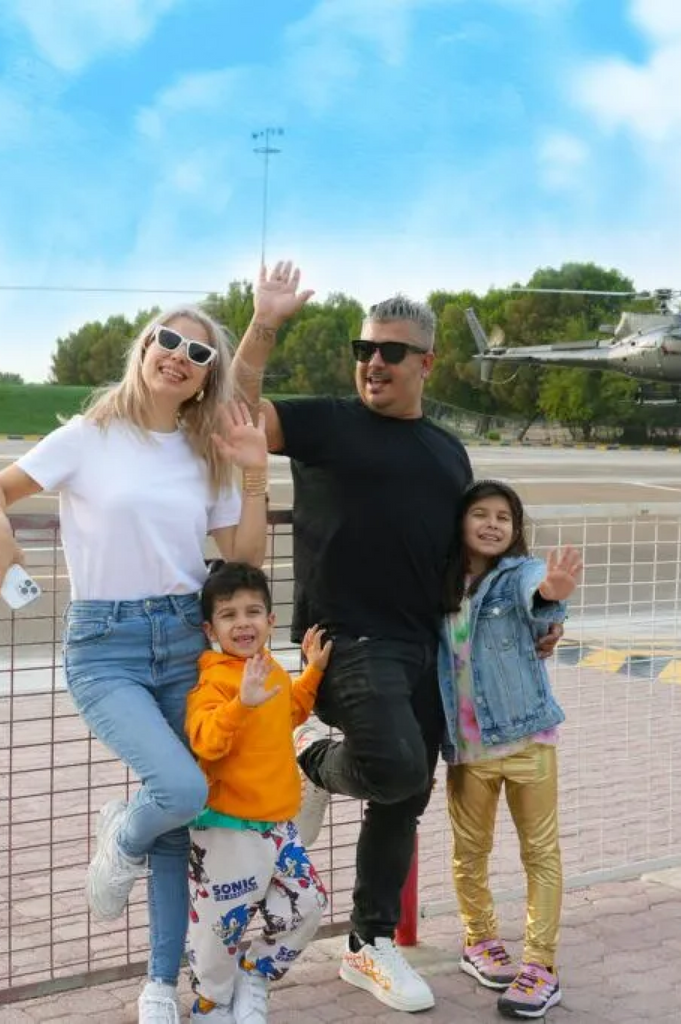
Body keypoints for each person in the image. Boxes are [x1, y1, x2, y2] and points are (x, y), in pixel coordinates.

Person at [230, 264, 563, 1013]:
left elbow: (478, 563)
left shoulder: (450, 454)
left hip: (434, 647)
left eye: (390, 352)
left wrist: (534, 625)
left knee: (406, 793)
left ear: (426, 364)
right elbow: (236, 406)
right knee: (395, 762)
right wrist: (266, 323)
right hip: (347, 637)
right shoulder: (325, 422)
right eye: (364, 348)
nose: (372, 362)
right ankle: (315, 764)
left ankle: (368, 944)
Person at [0, 307, 269, 1024]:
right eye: (167, 339)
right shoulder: (89, 436)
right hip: (106, 647)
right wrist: (0, 527)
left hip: (183, 641)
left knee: (177, 820)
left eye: (197, 352)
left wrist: (255, 474)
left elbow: (243, 556)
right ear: (144, 349)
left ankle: (159, 986)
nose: (178, 355)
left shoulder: (206, 454)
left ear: (206, 377)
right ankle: (120, 835)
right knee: (178, 788)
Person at [439, 480, 581, 1020]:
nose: (494, 524)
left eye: (505, 516)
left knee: (539, 853)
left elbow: (539, 599)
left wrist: (553, 593)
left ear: (516, 529)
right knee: (469, 852)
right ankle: (479, 941)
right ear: (461, 522)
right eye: (481, 514)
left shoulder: (515, 575)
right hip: (468, 749)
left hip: (528, 740)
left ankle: (540, 966)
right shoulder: (444, 583)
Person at [184, 562, 332, 1023]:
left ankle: (256, 972)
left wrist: (310, 673)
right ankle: (211, 1004)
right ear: (211, 628)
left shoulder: (269, 671)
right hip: (225, 831)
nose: (242, 622)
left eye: (253, 611)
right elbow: (205, 739)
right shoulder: (213, 681)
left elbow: (288, 712)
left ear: (271, 620)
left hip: (278, 828)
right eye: (228, 615)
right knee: (219, 930)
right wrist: (238, 705)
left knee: (309, 904)